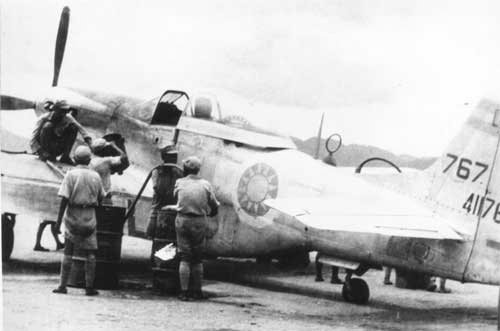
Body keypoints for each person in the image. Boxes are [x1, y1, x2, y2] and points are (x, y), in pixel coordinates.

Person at [52, 145, 105, 296]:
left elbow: (64, 199)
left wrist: (58, 222)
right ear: (89, 160)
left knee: (68, 251)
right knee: (90, 254)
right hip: (89, 214)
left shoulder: (70, 174)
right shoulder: (96, 176)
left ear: (75, 159)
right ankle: (89, 287)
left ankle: (62, 286)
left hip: (73, 214)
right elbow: (101, 198)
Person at [173, 156, 219, 301]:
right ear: (199, 169)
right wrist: (211, 213)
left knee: (185, 258)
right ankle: (197, 291)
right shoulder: (206, 185)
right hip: (199, 221)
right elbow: (214, 205)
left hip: (183, 220)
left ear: (185, 169)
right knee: (198, 259)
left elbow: (176, 197)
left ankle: (184, 292)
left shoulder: (179, 182)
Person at [31, 100, 92, 164]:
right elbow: (33, 138)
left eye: (65, 111)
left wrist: (90, 143)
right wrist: (40, 151)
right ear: (55, 110)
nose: (63, 114)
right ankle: (46, 154)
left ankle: (65, 157)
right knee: (48, 126)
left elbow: (81, 129)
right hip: (45, 145)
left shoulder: (67, 117)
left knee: (73, 128)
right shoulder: (43, 118)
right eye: (61, 111)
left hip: (57, 145)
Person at [145, 146, 183, 238]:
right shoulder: (157, 171)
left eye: (175, 156)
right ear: (164, 157)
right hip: (159, 205)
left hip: (173, 207)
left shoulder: (179, 172)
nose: (174, 158)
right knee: (151, 231)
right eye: (172, 156)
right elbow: (157, 188)